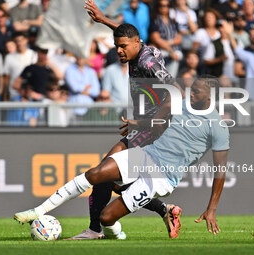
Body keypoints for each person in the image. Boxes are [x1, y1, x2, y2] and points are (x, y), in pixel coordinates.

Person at [14, 75, 229, 239]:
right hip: (147, 155)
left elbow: (220, 170)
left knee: (106, 218)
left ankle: (125, 230)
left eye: (197, 92)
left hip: (162, 177)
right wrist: (137, 124)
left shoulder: (217, 126)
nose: (191, 93)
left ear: (210, 96)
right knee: (96, 173)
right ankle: (38, 210)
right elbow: (158, 123)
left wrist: (211, 209)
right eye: (192, 89)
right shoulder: (181, 104)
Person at [40, 0, 182, 240]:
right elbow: (128, 35)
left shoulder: (149, 62)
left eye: (122, 46)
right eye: (117, 46)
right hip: (142, 128)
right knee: (104, 175)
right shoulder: (140, 46)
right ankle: (102, 228)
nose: (118, 51)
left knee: (104, 176)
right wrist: (104, 20)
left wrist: (148, 122)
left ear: (136, 44)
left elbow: (177, 93)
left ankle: (98, 228)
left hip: (157, 132)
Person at [148, 0, 182, 77]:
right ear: (157, 7)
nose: (164, 8)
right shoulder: (155, 21)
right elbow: (156, 39)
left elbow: (179, 39)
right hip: (162, 53)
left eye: (167, 6)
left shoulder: (173, 21)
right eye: (161, 5)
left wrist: (168, 43)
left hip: (175, 52)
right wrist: (171, 51)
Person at [3, 32, 37, 100]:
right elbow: (7, 78)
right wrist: (5, 95)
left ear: (26, 40)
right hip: (14, 95)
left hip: (29, 95)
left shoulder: (34, 55)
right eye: (16, 41)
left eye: (21, 40)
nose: (19, 43)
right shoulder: (9, 57)